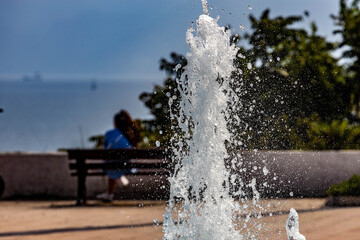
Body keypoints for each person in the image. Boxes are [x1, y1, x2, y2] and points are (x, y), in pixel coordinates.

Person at [96, 110, 140, 202]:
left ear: (115, 122)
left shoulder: (109, 133)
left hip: (110, 165)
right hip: (127, 166)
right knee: (119, 163)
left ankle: (110, 193)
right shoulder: (130, 135)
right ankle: (120, 176)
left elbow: (105, 149)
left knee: (112, 163)